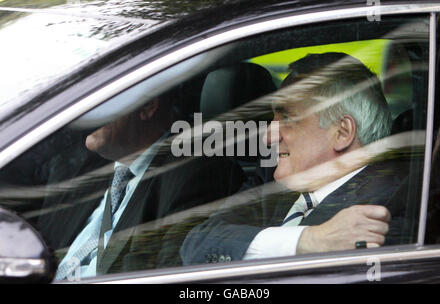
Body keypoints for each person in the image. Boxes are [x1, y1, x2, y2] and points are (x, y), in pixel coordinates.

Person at [180, 52, 410, 265]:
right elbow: (198, 241)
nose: (268, 136)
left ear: (341, 132)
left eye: (287, 118)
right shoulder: (271, 182)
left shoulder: (397, 202)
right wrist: (308, 241)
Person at [36, 88, 245, 279]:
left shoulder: (197, 174)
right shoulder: (74, 167)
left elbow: (167, 271)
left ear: (147, 106)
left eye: (102, 98)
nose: (87, 109)